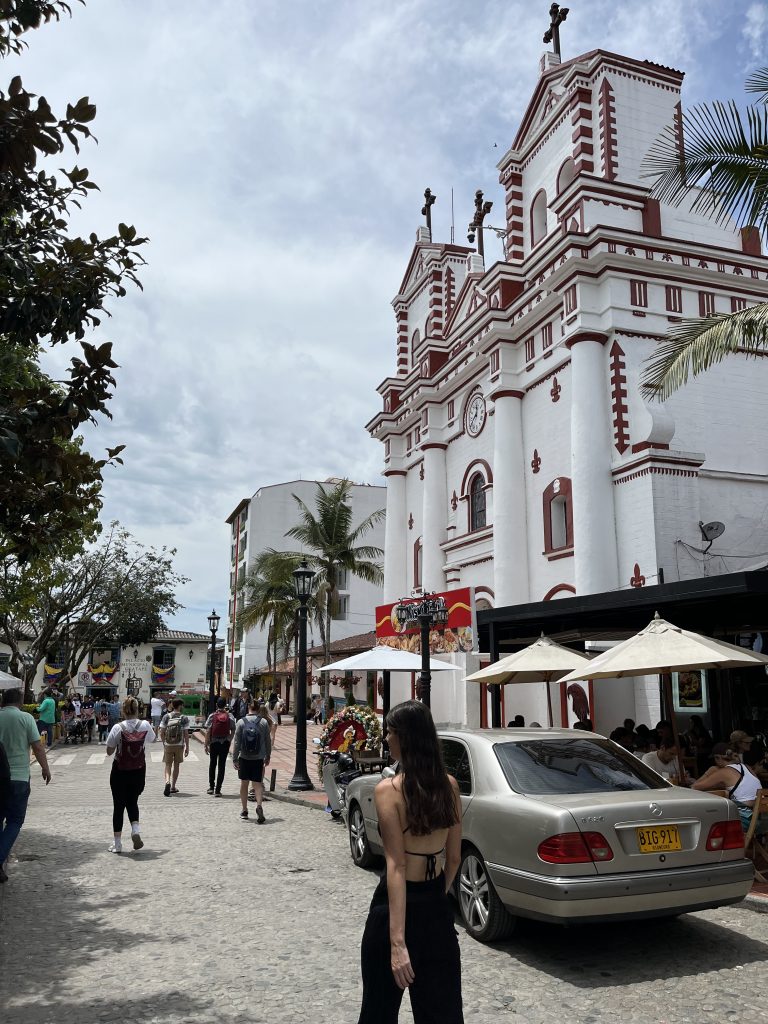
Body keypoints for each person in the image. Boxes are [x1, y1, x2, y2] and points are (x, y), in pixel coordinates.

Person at [357, 700, 463, 1024]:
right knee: (442, 1015)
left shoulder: (388, 791)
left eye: (390, 732)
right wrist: (435, 896)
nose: (386, 738)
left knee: (378, 1013)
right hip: (436, 908)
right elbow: (454, 858)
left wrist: (398, 942)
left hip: (393, 910)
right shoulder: (450, 786)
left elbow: (396, 865)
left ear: (405, 738)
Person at [0, 688, 51, 882]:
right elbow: (37, 746)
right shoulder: (26, 718)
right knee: (15, 821)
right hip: (19, 777)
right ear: (20, 702)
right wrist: (45, 768)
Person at [105, 697, 154, 853]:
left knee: (118, 806)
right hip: (139, 770)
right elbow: (153, 739)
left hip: (119, 771)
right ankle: (135, 830)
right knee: (133, 801)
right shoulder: (145, 725)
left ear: (123, 710)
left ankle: (117, 844)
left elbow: (109, 751)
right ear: (138, 710)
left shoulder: (118, 727)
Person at [692, 742, 762, 830]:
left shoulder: (723, 772)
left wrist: (710, 771)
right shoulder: (746, 767)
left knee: (707, 816)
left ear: (718, 758)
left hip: (744, 820)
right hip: (757, 818)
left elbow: (694, 787)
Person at [231, 699, 271, 822]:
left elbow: (236, 742)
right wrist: (268, 756)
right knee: (257, 784)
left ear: (248, 708)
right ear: (258, 709)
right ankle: (259, 806)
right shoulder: (263, 722)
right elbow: (268, 741)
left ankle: (244, 810)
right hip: (258, 758)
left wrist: (235, 758)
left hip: (244, 757)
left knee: (244, 784)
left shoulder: (241, 722)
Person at [204, 697, 236, 796]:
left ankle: (211, 787)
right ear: (225, 705)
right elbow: (233, 729)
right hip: (224, 743)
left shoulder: (212, 715)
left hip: (214, 742)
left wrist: (206, 744)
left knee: (212, 764)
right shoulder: (229, 716)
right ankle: (218, 790)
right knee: (222, 765)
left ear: (216, 705)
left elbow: (208, 730)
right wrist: (229, 739)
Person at [159, 698, 190, 797]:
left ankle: (167, 781)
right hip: (179, 745)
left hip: (168, 745)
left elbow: (161, 732)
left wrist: (164, 743)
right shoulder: (184, 718)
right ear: (180, 706)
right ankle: (173, 786)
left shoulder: (166, 716)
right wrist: (187, 747)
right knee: (176, 765)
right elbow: (186, 734)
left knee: (168, 765)